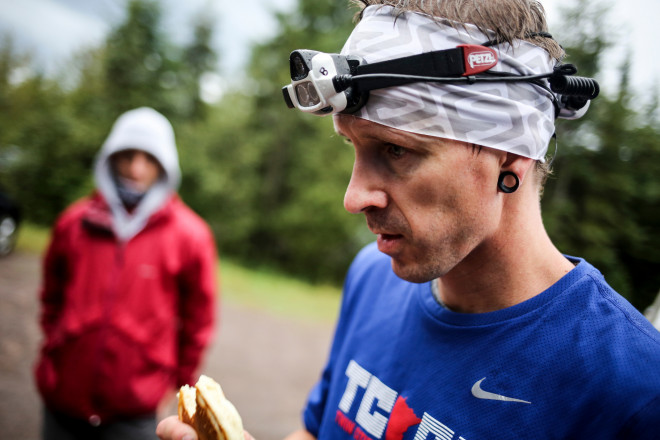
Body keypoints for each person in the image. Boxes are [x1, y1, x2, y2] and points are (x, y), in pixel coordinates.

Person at [158, 0, 660, 439]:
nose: (354, 197)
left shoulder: (632, 389)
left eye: (396, 150)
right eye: (353, 146)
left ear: (511, 156)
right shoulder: (371, 277)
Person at [36, 107, 218, 440]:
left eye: (149, 159)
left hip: (135, 410)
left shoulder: (191, 236)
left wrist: (179, 384)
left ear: (164, 166)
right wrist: (59, 345)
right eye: (127, 156)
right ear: (111, 158)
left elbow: (198, 322)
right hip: (62, 400)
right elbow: (51, 295)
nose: (136, 168)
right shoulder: (74, 223)